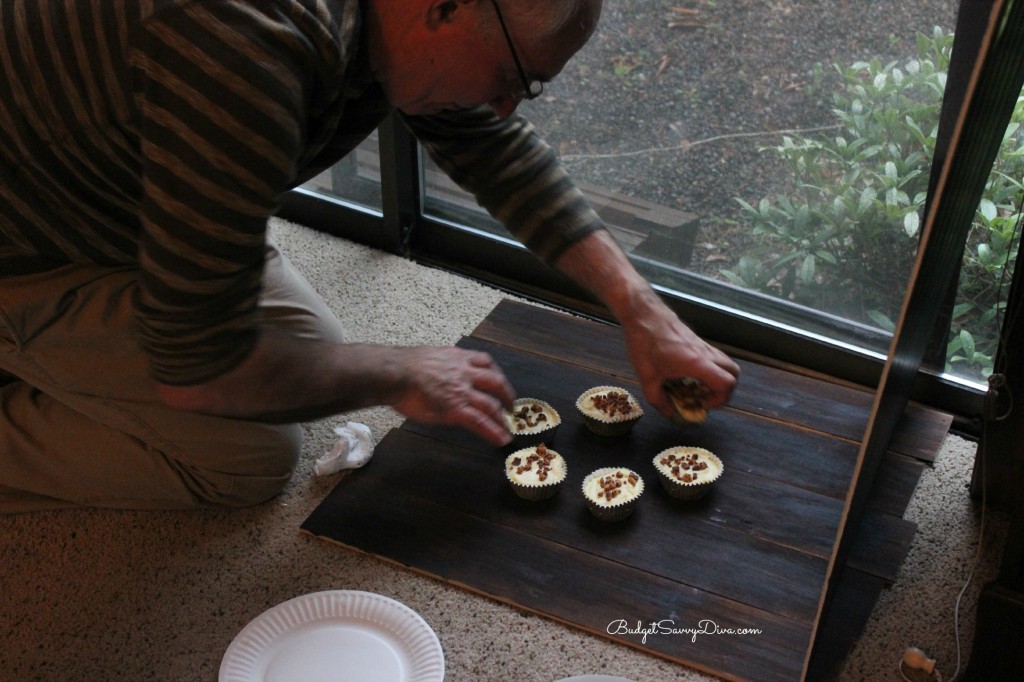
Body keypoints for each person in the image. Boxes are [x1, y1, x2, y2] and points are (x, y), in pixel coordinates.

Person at [0, 0, 739, 512]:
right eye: (516, 77)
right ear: (446, 9)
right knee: (245, 460)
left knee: (307, 359)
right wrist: (401, 369)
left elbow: (488, 144)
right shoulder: (244, 48)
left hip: (123, 194)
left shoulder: (387, 25)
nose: (509, 104)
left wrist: (643, 312)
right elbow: (198, 369)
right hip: (37, 244)